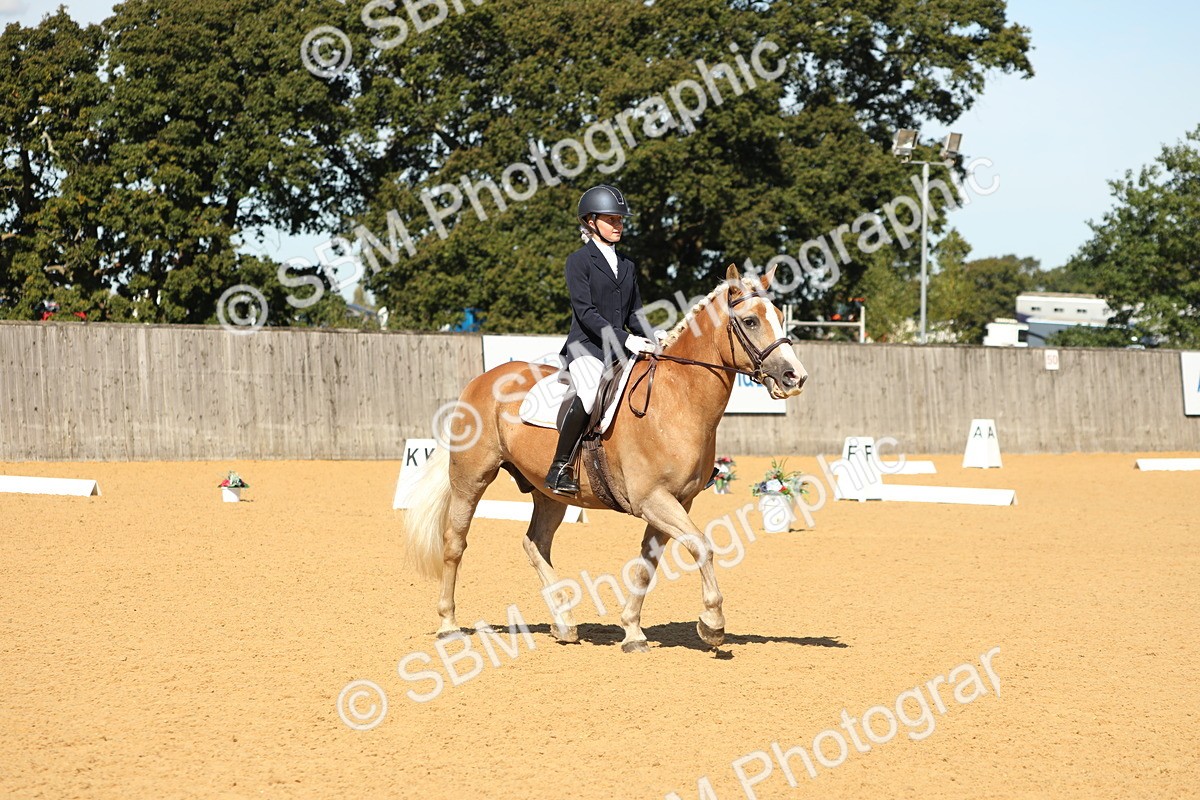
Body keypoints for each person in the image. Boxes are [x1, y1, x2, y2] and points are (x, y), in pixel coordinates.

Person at [545, 184, 658, 495]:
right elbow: (586, 313)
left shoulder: (629, 265)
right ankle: (559, 466)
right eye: (612, 220)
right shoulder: (578, 262)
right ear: (591, 222)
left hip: (620, 350)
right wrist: (626, 339)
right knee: (591, 389)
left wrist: (654, 335)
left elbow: (635, 313)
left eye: (620, 221)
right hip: (587, 348)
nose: (618, 226)